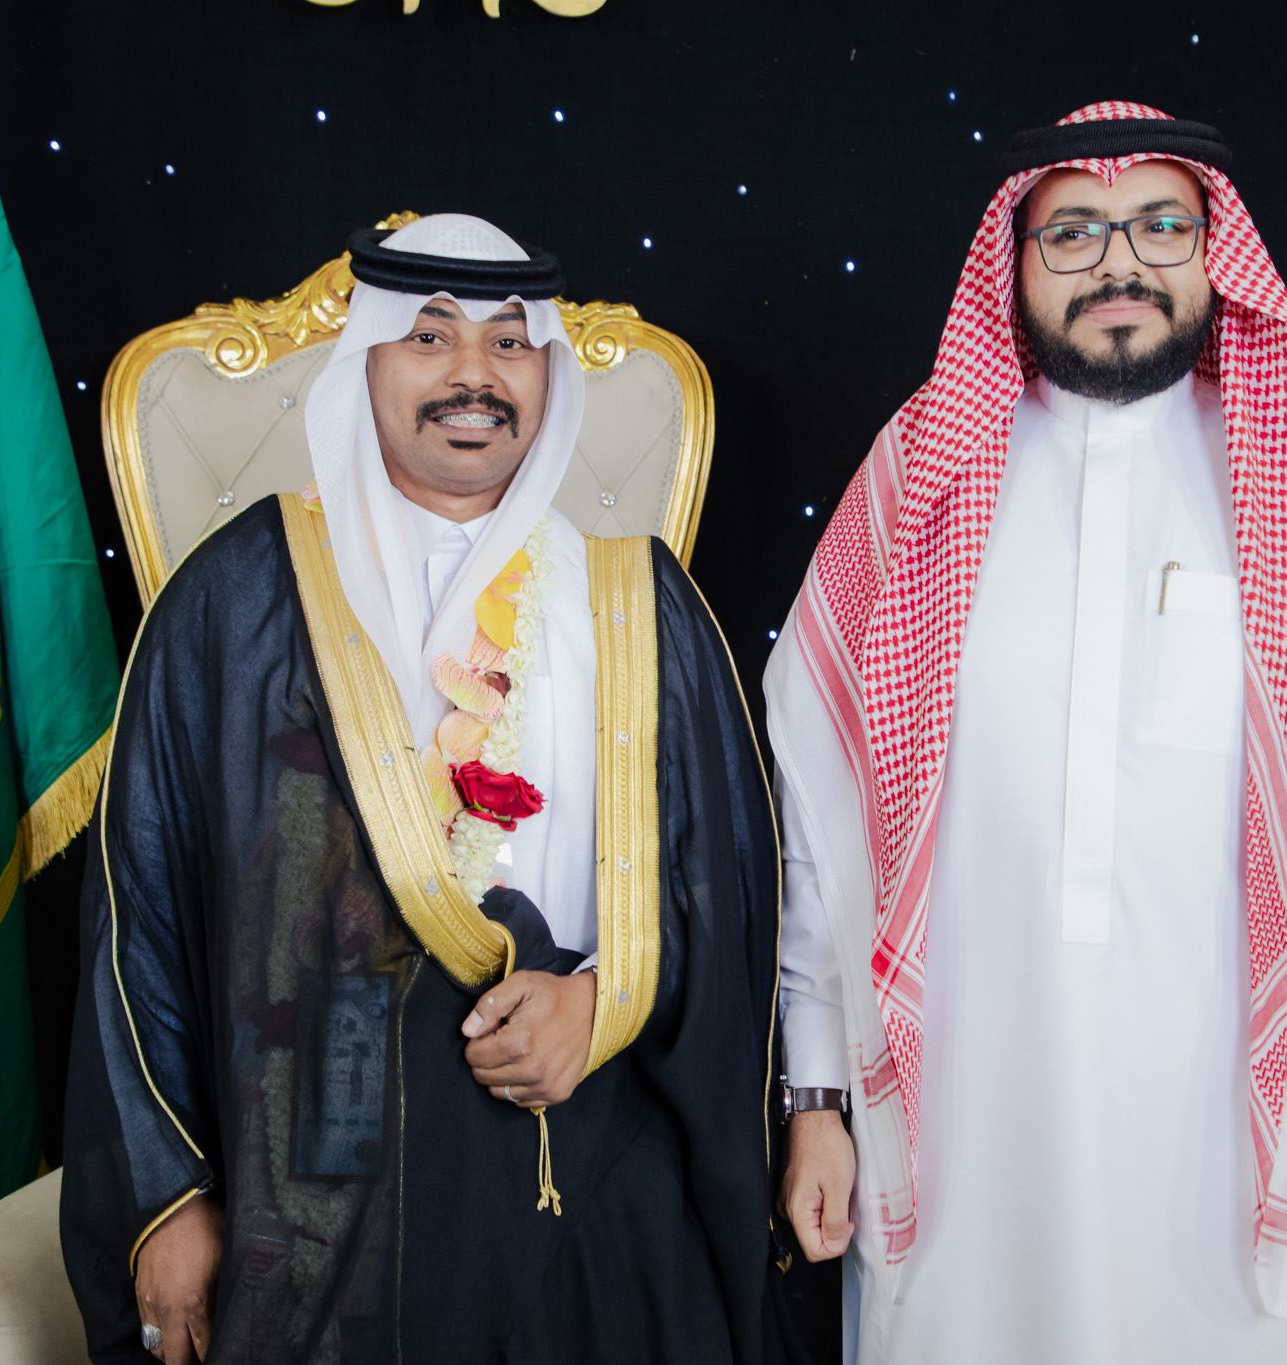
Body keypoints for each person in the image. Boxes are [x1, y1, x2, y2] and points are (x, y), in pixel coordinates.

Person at [766, 103, 1287, 1363]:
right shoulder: (920, 482)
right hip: (961, 1148)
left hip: (1244, 1169)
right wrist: (817, 1093)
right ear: (1015, 261)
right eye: (1074, 231)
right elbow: (825, 824)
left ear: (1214, 255)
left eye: (1160, 226)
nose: (1119, 262)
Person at [61, 214, 783, 1365]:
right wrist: (171, 1193)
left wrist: (599, 1002)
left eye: (510, 343)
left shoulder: (637, 602)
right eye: (430, 337)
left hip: (586, 1129)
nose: (473, 376)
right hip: (316, 1160)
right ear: (365, 361)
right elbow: (135, 910)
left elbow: (727, 887)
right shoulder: (235, 598)